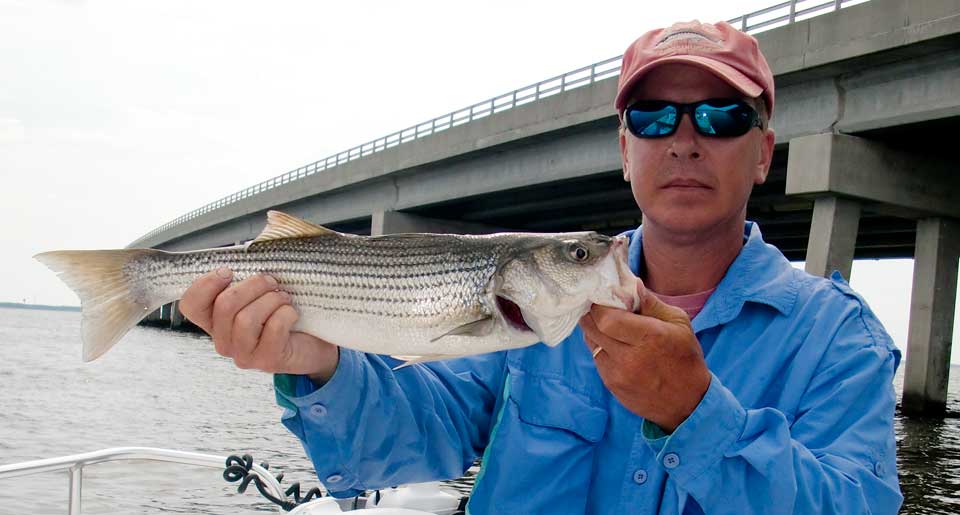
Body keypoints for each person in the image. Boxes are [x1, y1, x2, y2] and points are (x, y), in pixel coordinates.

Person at [179, 20, 903, 514]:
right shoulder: (540, 309)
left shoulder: (838, 339)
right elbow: (412, 433)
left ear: (765, 151)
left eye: (721, 116)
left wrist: (698, 414)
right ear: (625, 149)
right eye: (654, 118)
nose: (684, 140)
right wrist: (320, 363)